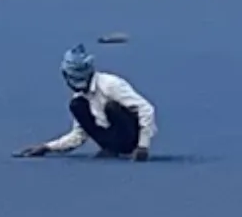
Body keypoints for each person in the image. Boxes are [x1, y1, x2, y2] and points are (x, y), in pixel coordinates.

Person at [16, 45, 155, 161]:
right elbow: (79, 135)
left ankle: (122, 147)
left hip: (131, 135)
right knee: (76, 105)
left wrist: (143, 146)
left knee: (112, 107)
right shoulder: (80, 98)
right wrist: (47, 147)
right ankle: (111, 148)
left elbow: (146, 109)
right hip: (109, 137)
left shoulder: (110, 85)